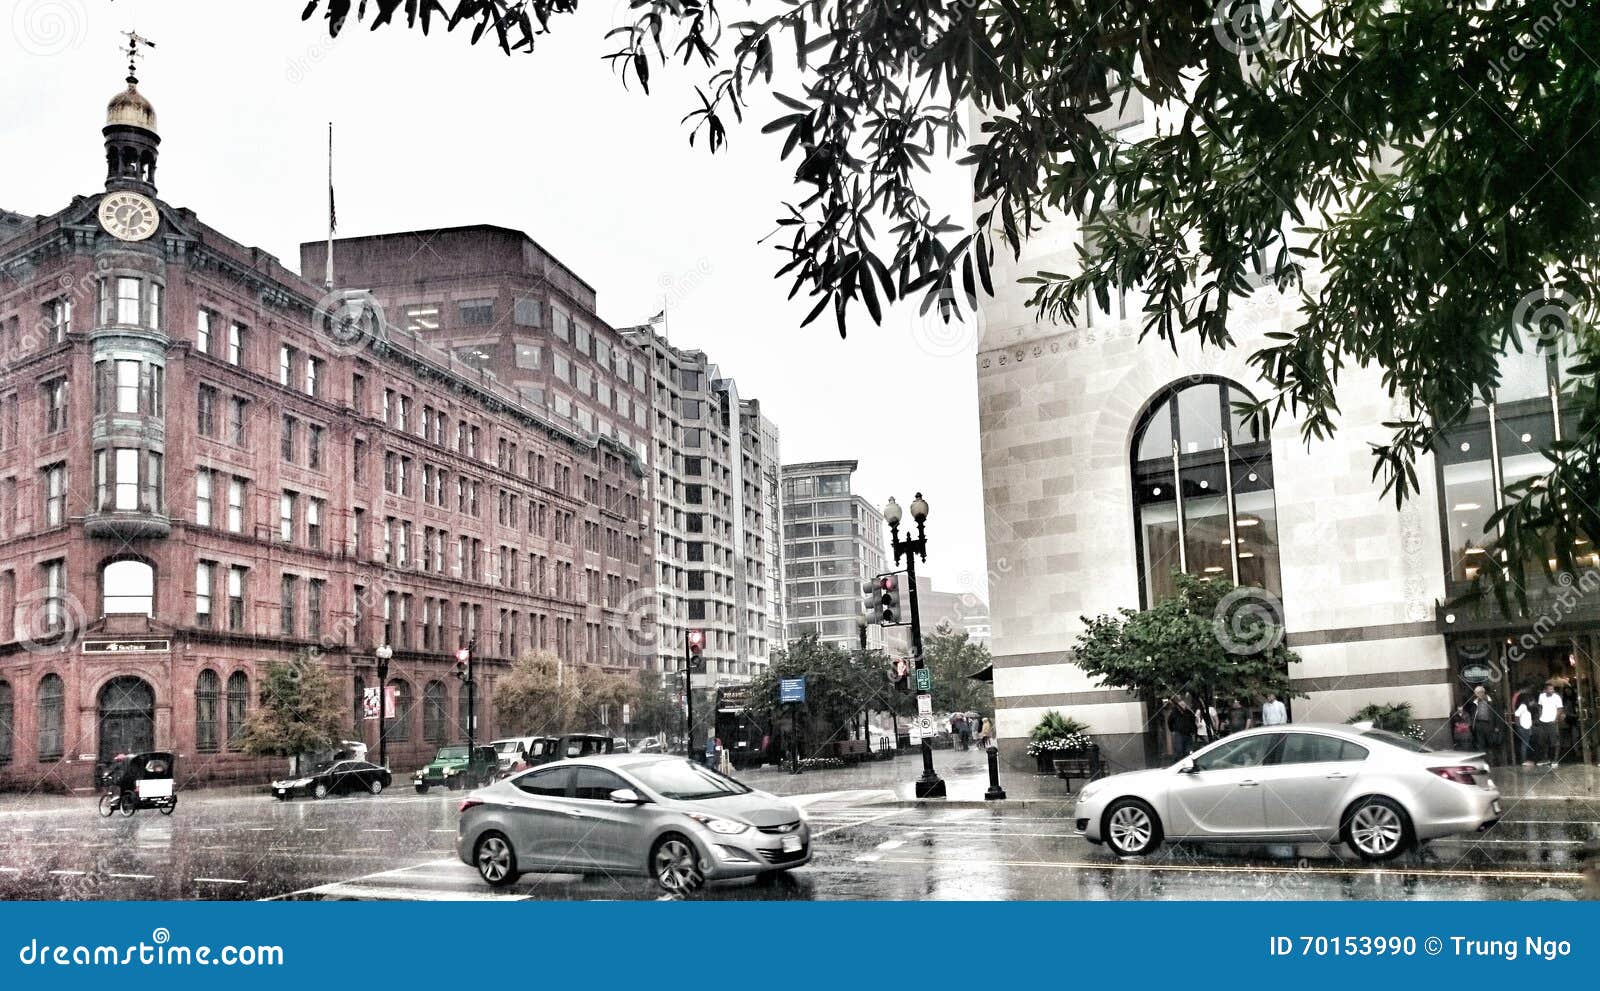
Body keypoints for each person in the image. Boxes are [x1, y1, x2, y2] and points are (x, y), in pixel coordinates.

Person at [1460, 685, 1502, 755]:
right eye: (1476, 693)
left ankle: (1492, 759)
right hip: (1478, 725)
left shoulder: (1492, 701)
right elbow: (1472, 712)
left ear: (1482, 692)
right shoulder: (1475, 702)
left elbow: (1497, 714)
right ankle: (1483, 758)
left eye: (1478, 693)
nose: (1476, 695)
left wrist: (1497, 726)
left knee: (1491, 742)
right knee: (1480, 743)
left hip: (1489, 724)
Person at [1535, 680, 1565, 767]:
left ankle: (1555, 760)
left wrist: (1555, 719)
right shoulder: (1541, 696)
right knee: (1543, 741)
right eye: (1550, 689)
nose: (1551, 691)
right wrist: (1540, 716)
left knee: (1555, 741)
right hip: (1543, 721)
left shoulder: (1557, 697)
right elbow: (1540, 706)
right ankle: (1546, 759)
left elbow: (1560, 709)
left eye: (1553, 689)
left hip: (1552, 722)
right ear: (1546, 690)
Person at [1512, 693, 1534, 767]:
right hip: (1523, 728)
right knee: (1524, 744)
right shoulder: (1523, 706)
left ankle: (1525, 760)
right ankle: (1523, 761)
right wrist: (1519, 726)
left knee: (1525, 744)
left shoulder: (1526, 707)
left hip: (1527, 727)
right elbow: (1516, 715)